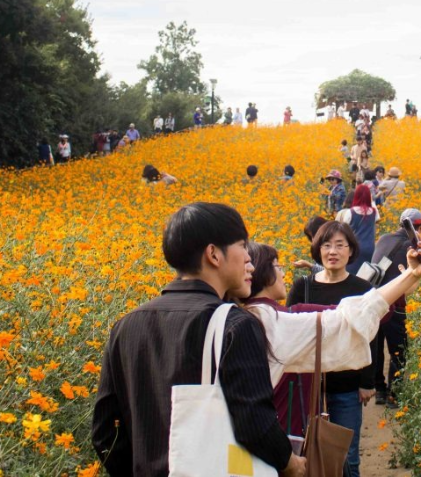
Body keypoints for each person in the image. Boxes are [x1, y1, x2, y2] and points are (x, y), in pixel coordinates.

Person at [92, 202, 306, 477]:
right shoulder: (234, 325)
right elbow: (255, 424)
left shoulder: (126, 325)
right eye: (242, 246)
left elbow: (105, 432)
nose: (248, 259)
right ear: (214, 255)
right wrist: (289, 463)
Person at [240, 240, 421, 439]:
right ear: (260, 272)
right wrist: (410, 276)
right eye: (277, 266)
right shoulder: (279, 321)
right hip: (284, 434)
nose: (283, 274)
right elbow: (355, 316)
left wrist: (406, 280)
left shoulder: (234, 315)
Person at [284, 222, 373, 477]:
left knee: (348, 457)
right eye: (326, 245)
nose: (332, 251)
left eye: (339, 245)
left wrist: (367, 381)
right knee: (309, 453)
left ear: (350, 251)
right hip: (308, 388)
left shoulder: (361, 289)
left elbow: (370, 337)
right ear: (318, 250)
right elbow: (288, 330)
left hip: (347, 386)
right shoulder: (303, 287)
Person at [372, 209, 421, 409]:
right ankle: (394, 395)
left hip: (373, 299)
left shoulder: (383, 239)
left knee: (377, 348)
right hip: (394, 302)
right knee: (398, 350)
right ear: (420, 228)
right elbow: (416, 273)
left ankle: (379, 390)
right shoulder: (412, 246)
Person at [336, 184, 378, 274]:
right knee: (366, 275)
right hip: (370, 248)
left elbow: (343, 230)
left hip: (354, 248)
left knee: (352, 274)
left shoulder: (350, 212)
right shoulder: (374, 212)